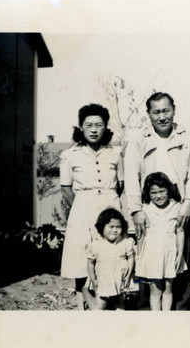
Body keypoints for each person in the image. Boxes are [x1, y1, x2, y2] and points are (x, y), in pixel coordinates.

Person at [124, 92, 190, 309]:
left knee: (179, 257)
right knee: (147, 257)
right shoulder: (139, 139)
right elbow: (131, 175)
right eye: (156, 112)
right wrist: (135, 209)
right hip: (148, 204)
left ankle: (178, 310)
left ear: (174, 110)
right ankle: (146, 309)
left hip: (179, 202)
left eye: (165, 110)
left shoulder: (186, 137)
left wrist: (188, 202)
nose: (161, 116)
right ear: (148, 114)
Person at [59, 104, 124, 310]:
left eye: (99, 125)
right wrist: (81, 206)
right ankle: (89, 306)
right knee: (82, 259)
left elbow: (120, 185)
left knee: (112, 255)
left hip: (109, 204)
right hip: (82, 210)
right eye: (89, 125)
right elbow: (66, 188)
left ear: (105, 127)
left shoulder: (114, 154)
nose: (94, 129)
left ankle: (112, 303)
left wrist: (108, 206)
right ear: (81, 127)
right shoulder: (70, 155)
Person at [135, 172, 186, 310]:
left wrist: (180, 255)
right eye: (154, 193)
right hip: (152, 254)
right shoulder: (145, 209)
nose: (158, 196)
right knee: (155, 290)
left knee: (168, 289)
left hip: (170, 253)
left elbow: (180, 231)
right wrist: (139, 256)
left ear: (169, 190)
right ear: (148, 193)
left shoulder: (176, 207)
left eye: (162, 191)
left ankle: (166, 318)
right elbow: (140, 235)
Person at [82, 208, 135, 310]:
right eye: (111, 227)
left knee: (120, 305)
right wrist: (93, 279)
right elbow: (90, 263)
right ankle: (86, 293)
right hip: (103, 278)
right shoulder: (96, 245)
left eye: (118, 227)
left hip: (120, 277)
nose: (115, 230)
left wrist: (128, 275)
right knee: (100, 305)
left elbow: (131, 258)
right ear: (102, 227)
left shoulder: (125, 243)